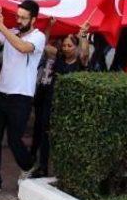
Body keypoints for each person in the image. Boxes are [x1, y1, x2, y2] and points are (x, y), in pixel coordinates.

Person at [0, 1, 46, 195]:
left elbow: (23, 48)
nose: (20, 20)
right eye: (18, 16)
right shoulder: (11, 31)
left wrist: (3, 27)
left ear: (33, 19)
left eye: (24, 17)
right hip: (1, 93)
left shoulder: (38, 37)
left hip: (21, 96)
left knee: (14, 140)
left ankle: (29, 165)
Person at [32, 24, 90, 178]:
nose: (66, 48)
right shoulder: (58, 57)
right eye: (64, 45)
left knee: (64, 138)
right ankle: (43, 167)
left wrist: (83, 36)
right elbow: (43, 45)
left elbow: (85, 52)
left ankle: (64, 170)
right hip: (50, 103)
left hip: (69, 106)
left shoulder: (80, 62)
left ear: (76, 47)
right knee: (45, 135)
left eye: (70, 45)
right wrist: (50, 27)